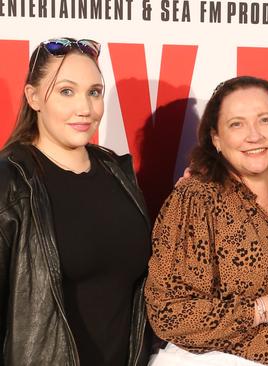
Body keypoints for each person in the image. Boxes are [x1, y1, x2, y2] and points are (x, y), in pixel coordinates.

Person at [145, 76, 268, 366]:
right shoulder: (196, 198)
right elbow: (168, 313)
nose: (254, 136)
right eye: (236, 124)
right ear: (216, 139)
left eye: (265, 120)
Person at [0, 38, 151, 365]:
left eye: (94, 92)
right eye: (66, 91)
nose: (85, 108)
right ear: (34, 96)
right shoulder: (10, 182)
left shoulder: (116, 172)